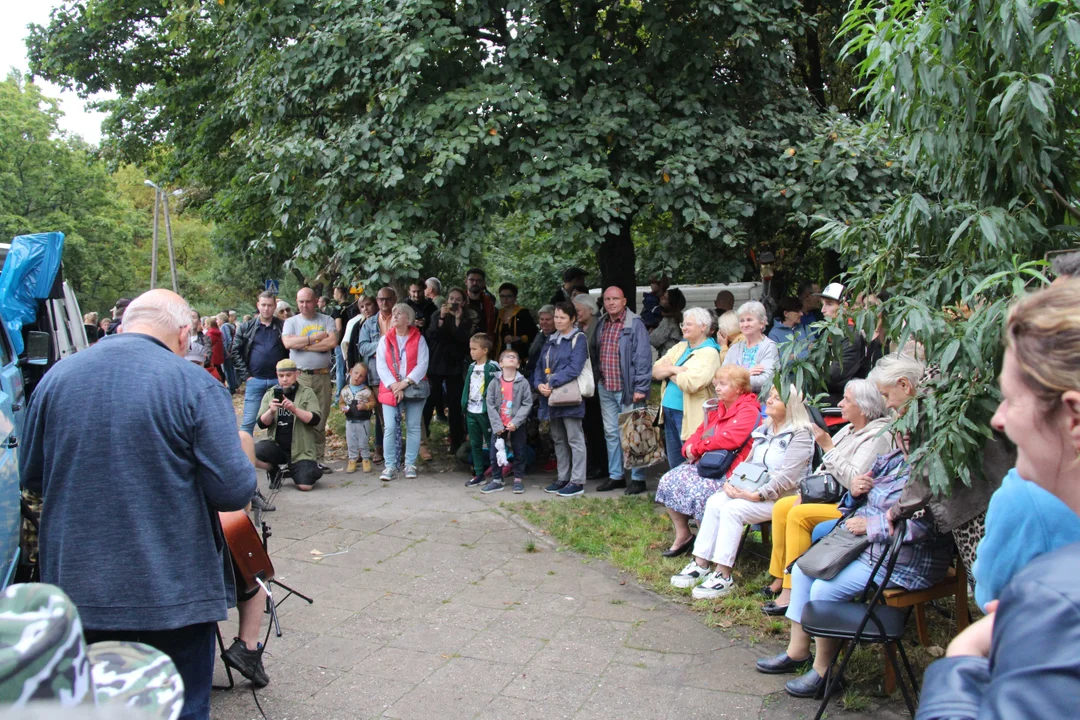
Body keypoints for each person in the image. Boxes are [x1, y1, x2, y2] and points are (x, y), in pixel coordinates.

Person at [19, 289, 256, 720]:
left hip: (77, 588)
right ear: (185, 334)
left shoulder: (56, 378)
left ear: (125, 323)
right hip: (170, 595)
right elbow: (233, 491)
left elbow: (32, 476)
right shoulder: (196, 385)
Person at [917, 279, 1080, 719]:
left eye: (1010, 399)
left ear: (1073, 416)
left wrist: (964, 656)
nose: (998, 418)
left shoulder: (1056, 596)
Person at [755, 437, 952, 700]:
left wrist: (871, 525)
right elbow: (854, 505)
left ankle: (826, 672)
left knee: (824, 589)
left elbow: (929, 527)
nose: (901, 427)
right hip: (867, 547)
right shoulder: (893, 459)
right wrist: (855, 492)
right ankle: (798, 652)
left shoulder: (936, 466)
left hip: (906, 559)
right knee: (803, 569)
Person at [761, 379, 892, 615]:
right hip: (827, 496)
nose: (840, 404)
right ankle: (779, 576)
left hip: (852, 506)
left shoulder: (877, 436)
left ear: (862, 407)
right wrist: (804, 491)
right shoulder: (849, 429)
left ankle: (792, 590)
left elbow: (855, 482)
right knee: (783, 507)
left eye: (847, 400)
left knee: (799, 515)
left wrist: (828, 447)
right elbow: (823, 469)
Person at [671, 386, 815, 599]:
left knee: (733, 510)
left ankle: (723, 575)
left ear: (791, 405)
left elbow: (788, 477)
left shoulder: (800, 434)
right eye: (770, 396)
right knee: (715, 501)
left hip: (783, 497)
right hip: (750, 490)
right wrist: (731, 483)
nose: (770, 400)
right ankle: (700, 562)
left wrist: (757, 496)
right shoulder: (765, 429)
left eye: (777, 398)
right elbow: (748, 462)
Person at [654, 365, 761, 555]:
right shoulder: (720, 407)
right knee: (669, 480)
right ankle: (684, 535)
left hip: (732, 470)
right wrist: (688, 447)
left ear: (738, 388)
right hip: (710, 464)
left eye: (723, 384)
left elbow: (729, 439)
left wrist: (696, 448)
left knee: (701, 491)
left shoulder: (748, 410)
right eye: (717, 384)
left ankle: (708, 544)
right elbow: (701, 430)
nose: (717, 388)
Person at [591, 285, 653, 495]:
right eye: (607, 299)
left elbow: (643, 358)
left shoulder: (634, 324)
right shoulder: (602, 323)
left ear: (624, 301)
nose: (611, 303)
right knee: (611, 433)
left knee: (634, 432)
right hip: (606, 387)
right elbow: (596, 352)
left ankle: (638, 479)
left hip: (628, 389)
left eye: (615, 299)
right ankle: (616, 476)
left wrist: (641, 387)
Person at [653, 306, 722, 470]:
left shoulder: (710, 353)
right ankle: (675, 493)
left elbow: (691, 383)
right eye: (683, 324)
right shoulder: (681, 346)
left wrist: (668, 370)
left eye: (689, 324)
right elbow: (655, 370)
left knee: (691, 460)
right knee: (675, 462)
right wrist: (675, 370)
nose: (683, 327)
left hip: (690, 415)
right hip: (669, 411)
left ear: (703, 327)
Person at [533, 301, 590, 497]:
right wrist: (539, 383)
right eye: (556, 317)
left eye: (562, 318)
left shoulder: (578, 338)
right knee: (558, 438)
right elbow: (540, 365)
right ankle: (563, 477)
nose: (557, 321)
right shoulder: (550, 339)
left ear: (572, 319)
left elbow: (575, 368)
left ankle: (577, 481)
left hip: (569, 396)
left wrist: (551, 382)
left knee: (575, 438)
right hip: (550, 397)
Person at [282, 287, 338, 473]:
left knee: (320, 416)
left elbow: (331, 343)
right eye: (300, 302)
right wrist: (314, 338)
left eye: (307, 301)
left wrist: (303, 345)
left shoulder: (327, 320)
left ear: (315, 301)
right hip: (300, 375)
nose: (304, 305)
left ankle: (318, 459)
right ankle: (299, 458)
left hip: (322, 375)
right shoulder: (291, 322)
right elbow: (288, 343)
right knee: (299, 415)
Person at [376, 302, 430, 481]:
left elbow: (422, 364)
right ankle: (390, 465)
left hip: (413, 388)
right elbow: (381, 365)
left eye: (400, 313)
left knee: (413, 427)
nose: (395, 316)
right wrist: (394, 385)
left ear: (409, 318)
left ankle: (410, 464)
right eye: (394, 313)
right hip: (390, 389)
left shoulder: (419, 338)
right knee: (390, 427)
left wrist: (404, 384)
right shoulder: (385, 339)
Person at [254, 359, 324, 491]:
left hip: (301, 450)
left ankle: (302, 469)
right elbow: (261, 424)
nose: (285, 379)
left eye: (288, 375)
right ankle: (274, 469)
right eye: (281, 376)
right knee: (251, 453)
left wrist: (295, 410)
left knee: (305, 486)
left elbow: (315, 419)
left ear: (296, 374)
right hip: (277, 446)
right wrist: (271, 411)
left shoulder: (307, 393)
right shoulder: (270, 394)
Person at [427, 287, 477, 455]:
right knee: (430, 400)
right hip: (436, 363)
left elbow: (463, 342)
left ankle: (456, 440)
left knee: (455, 404)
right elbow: (433, 335)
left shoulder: (467, 319)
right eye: (451, 298)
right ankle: (422, 438)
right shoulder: (437, 315)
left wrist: (457, 322)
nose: (454, 302)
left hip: (454, 365)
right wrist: (442, 317)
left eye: (457, 299)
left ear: (463, 302)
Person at [232, 291, 289, 435]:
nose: (266, 308)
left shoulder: (283, 326)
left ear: (274, 306)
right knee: (248, 421)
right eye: (263, 305)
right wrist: (246, 376)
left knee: (282, 421)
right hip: (255, 380)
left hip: (279, 381)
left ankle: (278, 455)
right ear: (258, 305)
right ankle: (246, 455)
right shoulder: (246, 327)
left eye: (270, 305)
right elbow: (235, 351)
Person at [482, 348, 534, 494]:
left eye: (514, 357)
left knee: (519, 451)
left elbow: (527, 403)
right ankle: (497, 479)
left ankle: (518, 479)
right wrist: (497, 424)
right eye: (507, 356)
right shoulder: (494, 382)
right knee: (495, 452)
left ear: (518, 364)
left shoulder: (523, 383)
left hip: (517, 424)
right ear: (501, 363)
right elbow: (490, 403)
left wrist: (516, 422)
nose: (511, 358)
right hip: (499, 424)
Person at [358, 287, 398, 465]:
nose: (384, 303)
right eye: (381, 299)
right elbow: (363, 347)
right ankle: (386, 451)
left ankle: (403, 449)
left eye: (388, 299)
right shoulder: (369, 324)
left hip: (399, 374)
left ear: (394, 300)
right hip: (377, 375)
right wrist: (384, 344)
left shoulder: (401, 319)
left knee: (402, 415)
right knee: (383, 416)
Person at [573, 292, 607, 482]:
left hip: (596, 381)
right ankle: (594, 464)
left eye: (578, 310)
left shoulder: (599, 326)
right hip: (582, 383)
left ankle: (602, 465)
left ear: (590, 309)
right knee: (587, 425)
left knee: (597, 426)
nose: (576, 313)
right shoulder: (579, 327)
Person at [816, 283, 866, 406]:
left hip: (842, 405)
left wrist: (817, 368)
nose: (823, 310)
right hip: (825, 401)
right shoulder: (829, 333)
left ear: (845, 307)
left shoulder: (850, 336)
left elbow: (833, 376)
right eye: (822, 304)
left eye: (829, 304)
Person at [463, 333, 501, 487]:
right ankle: (479, 474)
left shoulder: (493, 366)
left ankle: (497, 475)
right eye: (470, 349)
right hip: (471, 410)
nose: (471, 352)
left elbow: (499, 389)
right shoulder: (471, 366)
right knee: (475, 443)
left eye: (474, 349)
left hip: (486, 412)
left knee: (493, 444)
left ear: (485, 350)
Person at [723, 301, 780, 399]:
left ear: (762, 323)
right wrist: (746, 373)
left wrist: (734, 378)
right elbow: (721, 377)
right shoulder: (734, 348)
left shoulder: (769, 347)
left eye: (749, 320)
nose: (745, 324)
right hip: (734, 405)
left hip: (760, 405)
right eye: (742, 320)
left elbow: (766, 380)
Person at [340, 363, 376, 473]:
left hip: (363, 421)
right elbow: (341, 402)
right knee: (351, 441)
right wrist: (343, 408)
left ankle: (365, 459)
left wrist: (365, 406)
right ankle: (352, 459)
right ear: (350, 372)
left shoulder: (366, 391)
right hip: (350, 420)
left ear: (365, 378)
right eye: (356, 373)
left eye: (361, 376)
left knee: (363, 440)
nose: (357, 377)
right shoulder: (345, 390)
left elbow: (373, 402)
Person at [493, 282, 538, 361]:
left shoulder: (523, 313)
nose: (505, 299)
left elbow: (534, 334)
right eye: (502, 296)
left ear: (515, 297)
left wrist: (518, 338)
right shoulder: (498, 313)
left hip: (519, 357)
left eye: (509, 296)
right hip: (500, 357)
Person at [649, 287, 687, 357]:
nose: (661, 298)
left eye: (665, 298)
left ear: (670, 304)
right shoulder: (683, 317)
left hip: (669, 358)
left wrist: (651, 332)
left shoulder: (668, 321)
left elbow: (654, 340)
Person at [526, 304, 556, 380]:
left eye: (548, 319)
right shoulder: (540, 334)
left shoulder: (558, 338)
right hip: (532, 376)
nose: (544, 322)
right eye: (542, 319)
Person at [465, 268, 496, 334]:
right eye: (471, 280)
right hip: (460, 342)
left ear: (483, 283)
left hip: (482, 342)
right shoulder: (457, 299)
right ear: (466, 281)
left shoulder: (489, 303)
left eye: (478, 280)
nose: (475, 283)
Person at [218, 311, 239, 393]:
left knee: (228, 370)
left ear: (222, 319)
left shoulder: (224, 327)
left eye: (218, 319)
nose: (217, 321)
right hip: (230, 352)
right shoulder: (231, 326)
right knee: (230, 369)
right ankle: (233, 385)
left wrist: (227, 351)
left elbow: (228, 340)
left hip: (227, 353)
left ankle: (231, 387)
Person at [205, 317, 226, 384]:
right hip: (218, 354)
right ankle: (222, 381)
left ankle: (221, 382)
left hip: (214, 355)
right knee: (219, 369)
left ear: (209, 324)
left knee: (217, 370)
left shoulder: (210, 334)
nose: (204, 325)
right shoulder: (217, 332)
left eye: (205, 324)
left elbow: (207, 344)